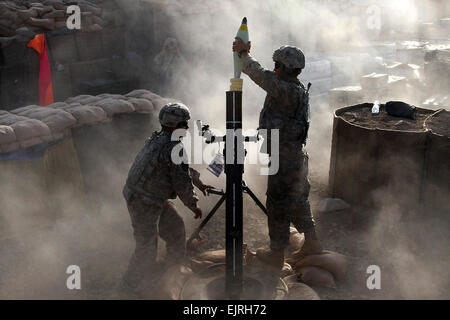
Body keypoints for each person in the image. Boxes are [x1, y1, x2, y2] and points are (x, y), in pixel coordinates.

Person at [232, 38, 323, 269]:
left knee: (277, 203)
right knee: (298, 199)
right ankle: (312, 241)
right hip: (295, 156)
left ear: (284, 68)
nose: (275, 69)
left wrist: (243, 55)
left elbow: (261, 75)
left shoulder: (286, 89)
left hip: (283, 158)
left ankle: (276, 253)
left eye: (277, 65)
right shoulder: (296, 88)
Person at [120, 102, 212, 295]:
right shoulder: (172, 146)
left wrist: (199, 183)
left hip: (151, 198)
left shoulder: (158, 138)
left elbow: (180, 170)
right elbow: (181, 182)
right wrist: (194, 205)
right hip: (143, 201)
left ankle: (172, 272)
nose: (187, 128)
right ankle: (129, 287)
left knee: (176, 229)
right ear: (174, 125)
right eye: (184, 124)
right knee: (146, 248)